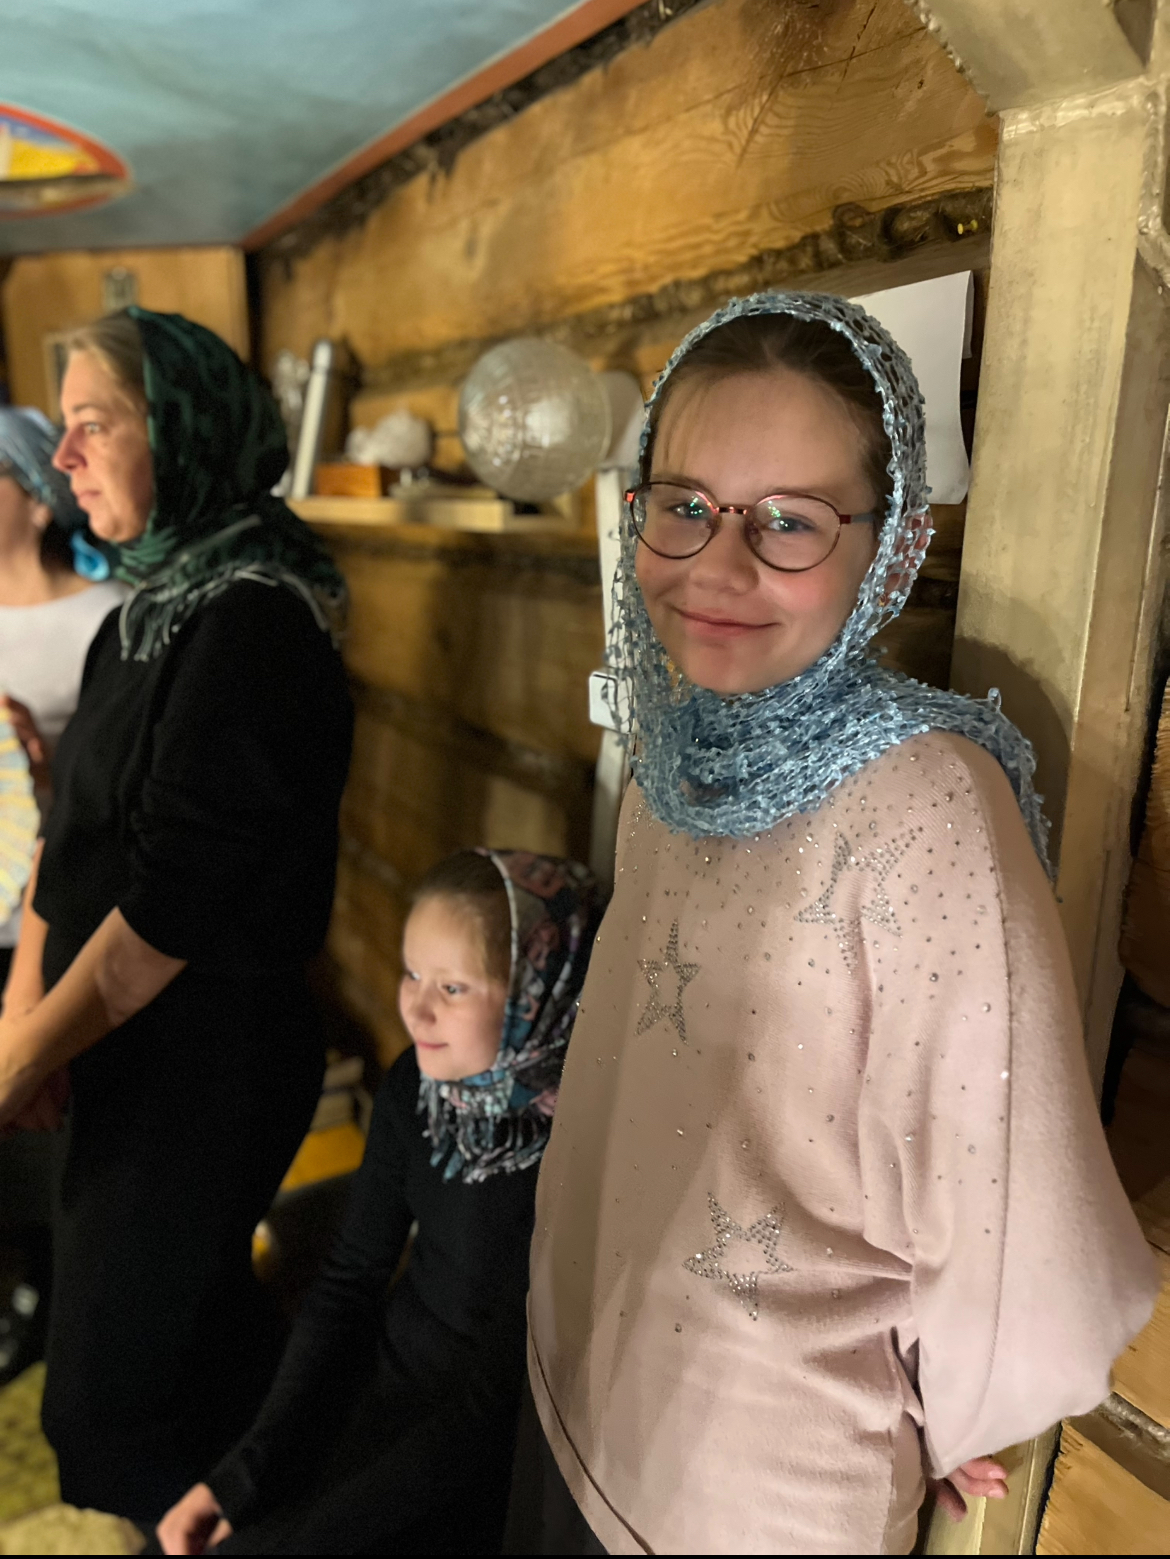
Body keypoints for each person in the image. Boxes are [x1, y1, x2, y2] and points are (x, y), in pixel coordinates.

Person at [521, 293, 1160, 1553]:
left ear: (893, 547)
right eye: (686, 502)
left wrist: (969, 1407)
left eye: (790, 520)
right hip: (578, 1382)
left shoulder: (925, 807)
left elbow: (1037, 1269)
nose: (718, 565)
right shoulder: (676, 755)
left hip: (751, 1495)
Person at [0, 307, 354, 1523]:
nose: (65, 458)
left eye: (93, 423)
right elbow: (68, 842)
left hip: (206, 1061)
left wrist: (22, 1055)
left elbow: (165, 910)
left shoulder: (255, 623)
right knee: (178, 1360)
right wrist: (30, 1019)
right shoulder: (141, 616)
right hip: (119, 1046)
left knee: (108, 1400)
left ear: (186, 431)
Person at [156, 849, 604, 1556]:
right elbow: (349, 1280)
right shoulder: (417, 1091)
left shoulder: (576, 1152)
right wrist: (241, 1477)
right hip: (387, 1379)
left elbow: (490, 1407)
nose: (417, 1007)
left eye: (453, 987)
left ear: (537, 991)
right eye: (411, 973)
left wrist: (304, 1538)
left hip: (489, 1452)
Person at [0, 406, 126, 1380]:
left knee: (47, 1127)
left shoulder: (104, 620)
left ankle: (52, 1299)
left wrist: (42, 777)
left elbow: (112, 798)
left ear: (38, 498)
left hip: (51, 923)